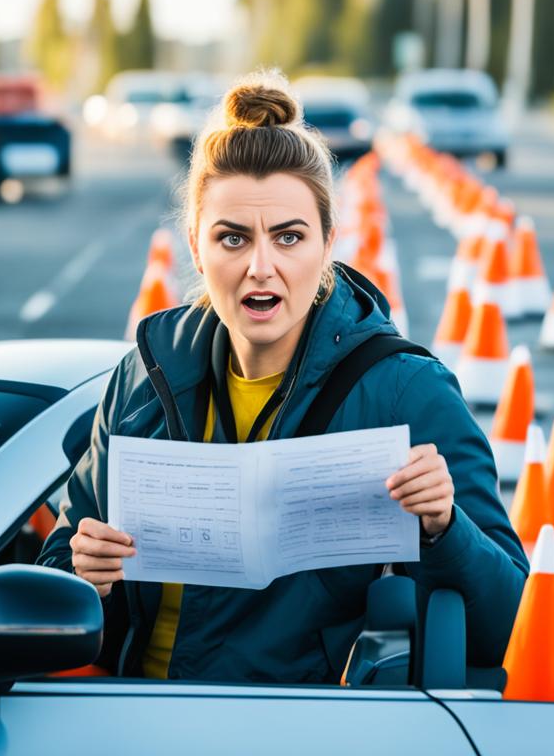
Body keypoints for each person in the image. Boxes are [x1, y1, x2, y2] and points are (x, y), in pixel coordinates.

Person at [38, 71, 528, 683]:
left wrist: (443, 527)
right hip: (135, 712)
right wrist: (79, 570)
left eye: (288, 237)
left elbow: (514, 623)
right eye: (232, 239)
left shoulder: (404, 389)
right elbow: (52, 576)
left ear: (328, 244)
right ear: (196, 246)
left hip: (297, 726)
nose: (260, 267)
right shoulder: (143, 374)